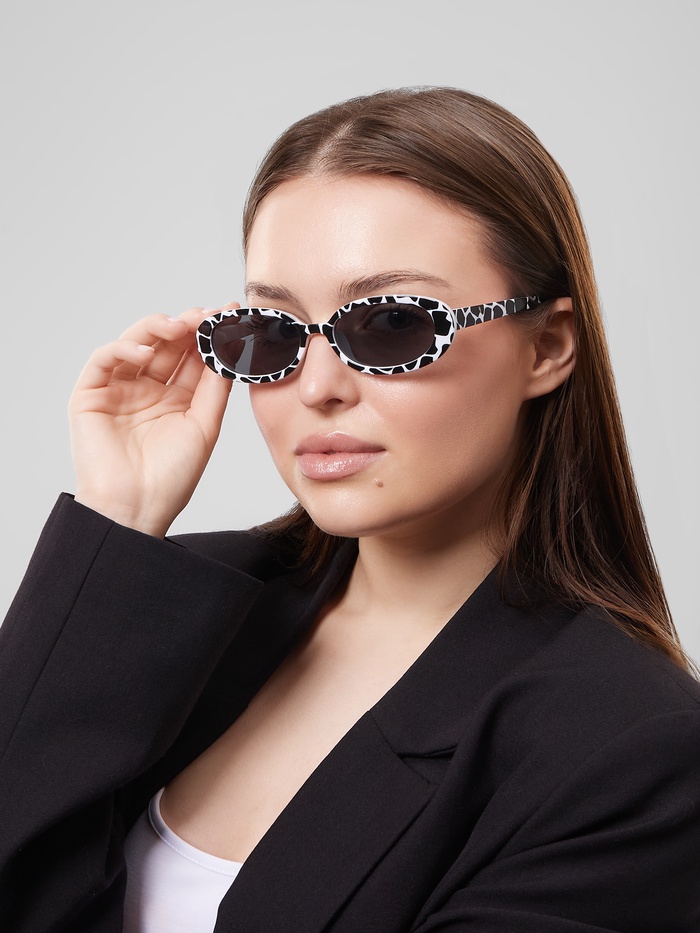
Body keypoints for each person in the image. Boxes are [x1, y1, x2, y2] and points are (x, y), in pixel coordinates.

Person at [0, 87, 698, 933]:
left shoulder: (631, 746)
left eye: (393, 323)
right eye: (275, 330)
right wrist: (120, 514)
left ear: (546, 346)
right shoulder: (164, 608)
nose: (318, 387)